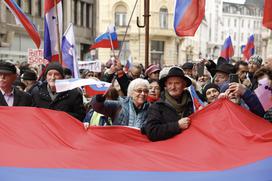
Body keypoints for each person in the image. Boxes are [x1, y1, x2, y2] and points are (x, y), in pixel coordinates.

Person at [142, 66, 194, 141]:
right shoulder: (157, 106)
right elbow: (151, 131)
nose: (173, 87)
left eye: (177, 83)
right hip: (168, 149)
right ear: (165, 86)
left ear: (184, 85)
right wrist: (177, 125)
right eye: (170, 83)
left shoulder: (193, 102)